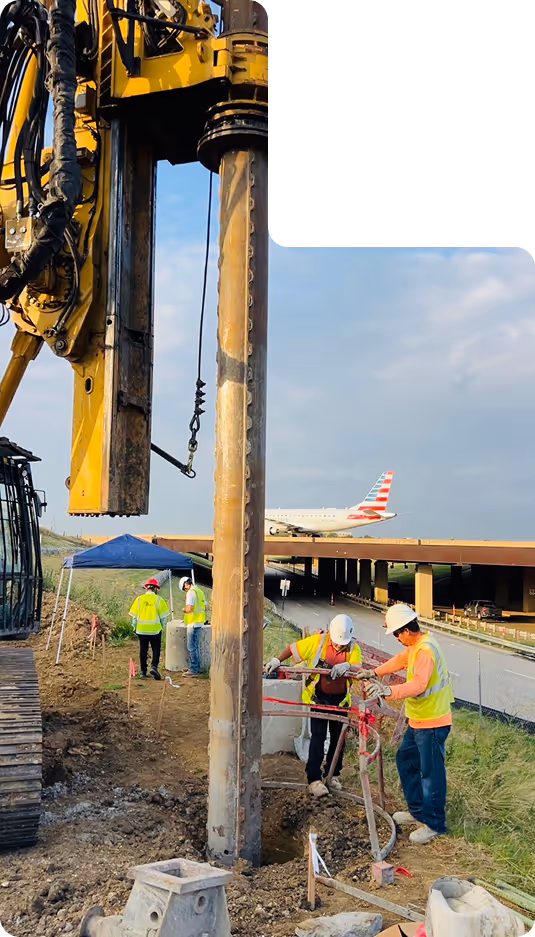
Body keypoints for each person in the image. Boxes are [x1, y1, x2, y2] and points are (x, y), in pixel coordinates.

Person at [357, 603, 454, 845]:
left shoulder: (424, 651)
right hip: (420, 720)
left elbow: (419, 684)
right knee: (405, 760)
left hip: (432, 722)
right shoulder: (417, 646)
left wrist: (387, 690)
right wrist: (375, 673)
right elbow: (400, 660)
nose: (397, 639)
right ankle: (418, 810)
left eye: (397, 634)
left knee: (431, 773)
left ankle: (434, 824)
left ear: (405, 630)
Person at [265, 614, 362, 797]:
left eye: (343, 643)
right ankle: (314, 779)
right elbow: (293, 649)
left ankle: (333, 774)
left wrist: (348, 665)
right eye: (337, 642)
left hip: (341, 701)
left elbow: (359, 666)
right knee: (318, 736)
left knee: (338, 738)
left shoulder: (353, 647)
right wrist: (278, 660)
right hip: (319, 698)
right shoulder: (318, 642)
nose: (340, 645)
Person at [129, 577, 170, 680]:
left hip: (141, 629)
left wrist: (134, 627)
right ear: (156, 588)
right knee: (156, 649)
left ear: (146, 587)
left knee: (143, 649)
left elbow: (134, 617)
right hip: (155, 630)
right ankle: (154, 667)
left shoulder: (139, 599)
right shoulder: (159, 600)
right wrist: (162, 627)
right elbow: (162, 618)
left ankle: (143, 671)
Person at [179, 576, 206, 676]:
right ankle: (196, 666)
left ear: (186, 584)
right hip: (199, 622)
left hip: (193, 622)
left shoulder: (191, 592)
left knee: (191, 646)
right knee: (195, 646)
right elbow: (205, 606)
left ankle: (193, 669)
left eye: (184, 588)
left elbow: (189, 608)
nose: (185, 590)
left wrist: (184, 609)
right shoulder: (200, 591)